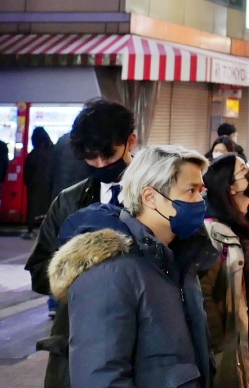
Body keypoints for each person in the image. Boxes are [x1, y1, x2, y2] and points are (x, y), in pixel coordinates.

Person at [47, 146, 215, 388]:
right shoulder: (110, 271)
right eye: (190, 191)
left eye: (201, 190)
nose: (200, 201)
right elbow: (102, 377)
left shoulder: (178, 260)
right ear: (150, 197)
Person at [27, 100, 137, 299]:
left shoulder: (158, 193)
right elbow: (39, 268)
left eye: (109, 155)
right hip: (80, 323)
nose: (101, 164)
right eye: (92, 157)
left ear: (131, 142)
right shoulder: (68, 201)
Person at [200, 154, 249, 388]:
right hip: (232, 351)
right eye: (244, 171)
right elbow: (204, 293)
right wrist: (219, 341)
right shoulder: (213, 230)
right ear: (231, 187)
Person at [23, 126, 55, 238]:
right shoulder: (52, 151)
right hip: (49, 184)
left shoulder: (34, 153)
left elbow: (27, 171)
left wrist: (27, 182)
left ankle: (30, 231)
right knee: (48, 208)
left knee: (32, 207)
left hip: (35, 185)